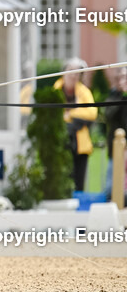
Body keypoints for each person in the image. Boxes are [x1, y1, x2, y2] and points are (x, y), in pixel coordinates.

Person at [54, 57, 98, 192]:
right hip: (60, 142)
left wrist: (71, 114)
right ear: (64, 72)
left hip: (80, 144)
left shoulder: (84, 92)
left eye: (77, 72)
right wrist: (78, 113)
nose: (73, 75)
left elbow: (92, 113)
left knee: (79, 181)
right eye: (70, 70)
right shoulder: (55, 91)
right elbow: (53, 114)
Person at [103, 66, 127, 199]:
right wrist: (122, 97)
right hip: (115, 148)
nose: (122, 81)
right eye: (119, 78)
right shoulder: (112, 97)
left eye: (125, 77)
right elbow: (109, 115)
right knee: (110, 187)